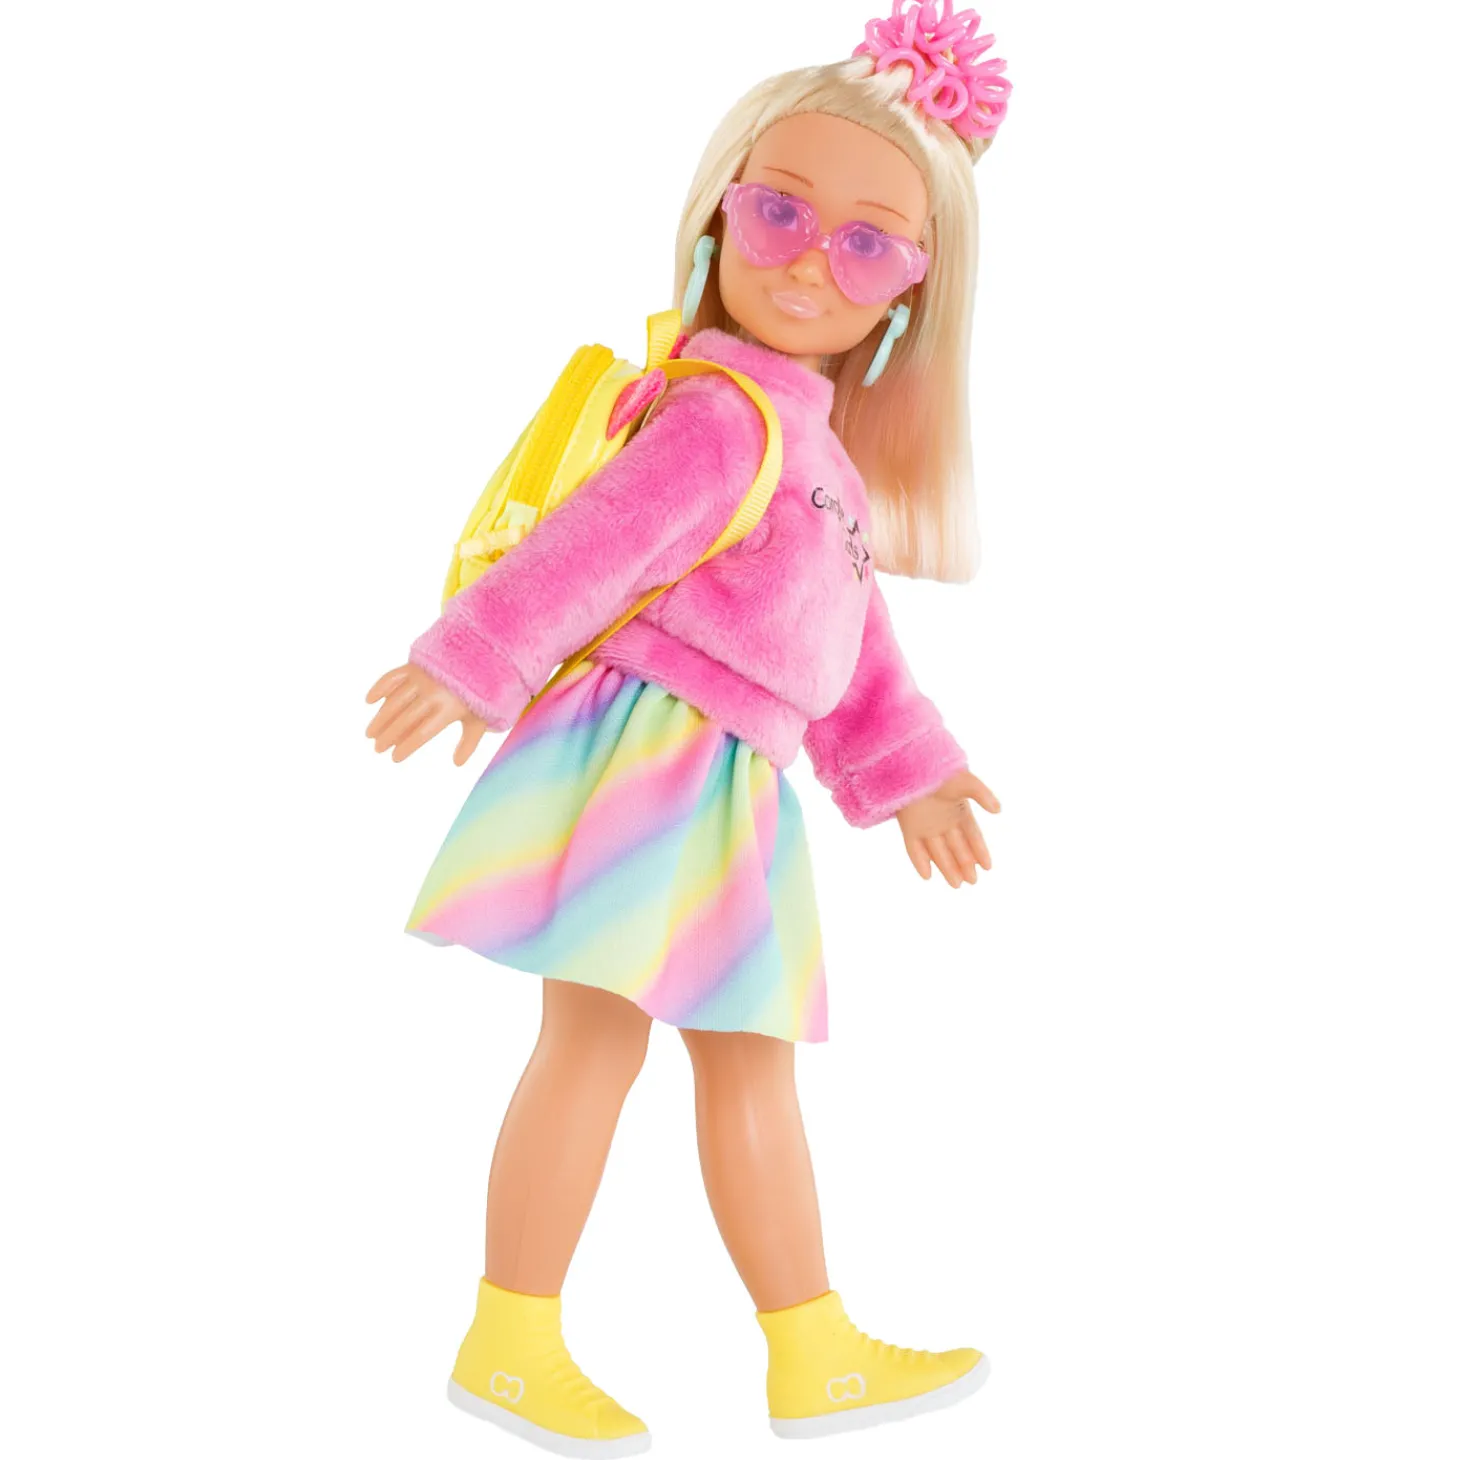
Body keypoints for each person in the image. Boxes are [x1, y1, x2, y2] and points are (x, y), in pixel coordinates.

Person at [365, 4, 1011, 1451]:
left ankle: (810, 1348)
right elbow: (589, 550)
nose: (808, 260)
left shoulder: (817, 457)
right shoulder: (724, 419)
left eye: (868, 245)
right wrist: (470, 660)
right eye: (779, 211)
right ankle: (514, 1340)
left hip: (731, 784)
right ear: (722, 211)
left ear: (912, 292)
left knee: (739, 1056)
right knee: (597, 1042)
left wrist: (913, 769)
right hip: (653, 758)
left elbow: (851, 645)